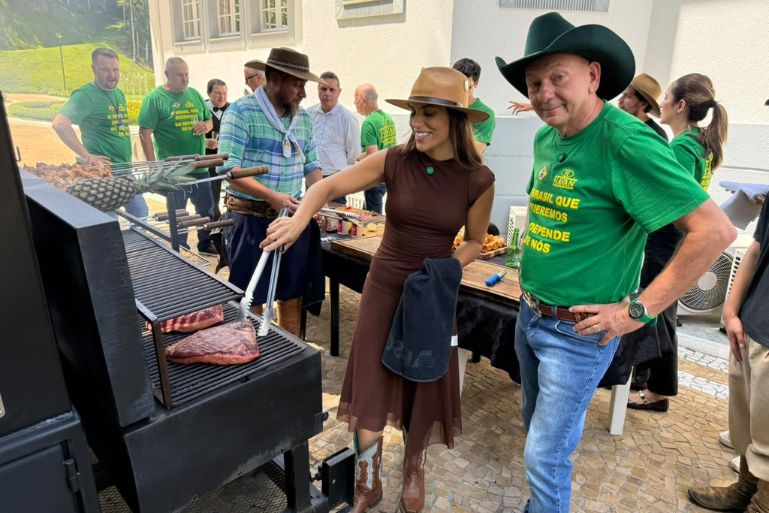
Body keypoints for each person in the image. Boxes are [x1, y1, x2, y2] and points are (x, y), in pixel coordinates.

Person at [495, 12, 736, 512]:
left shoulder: (625, 140)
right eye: (534, 83)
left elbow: (714, 231)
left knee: (546, 456)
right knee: (537, 432)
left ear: (592, 75)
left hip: (576, 334)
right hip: (530, 313)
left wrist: (635, 312)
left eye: (557, 77)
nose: (544, 93)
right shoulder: (546, 137)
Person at [262, 67, 495, 513]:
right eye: (414, 113)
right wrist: (299, 218)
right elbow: (329, 185)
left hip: (430, 293)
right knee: (369, 382)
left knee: (422, 383)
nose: (418, 122)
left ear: (457, 120)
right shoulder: (394, 160)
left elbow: (473, 240)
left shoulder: (477, 179)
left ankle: (413, 469)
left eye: (430, 114)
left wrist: (447, 269)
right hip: (385, 285)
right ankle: (368, 481)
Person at [628, 73, 729, 411]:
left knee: (656, 308)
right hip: (675, 239)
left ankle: (657, 389)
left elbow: (674, 201)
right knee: (658, 308)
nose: (663, 103)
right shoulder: (700, 143)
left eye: (668, 96)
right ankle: (645, 380)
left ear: (681, 105)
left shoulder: (684, 148)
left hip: (668, 238)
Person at [217, 47, 324, 337]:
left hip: (291, 221)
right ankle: (254, 359)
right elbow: (228, 168)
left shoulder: (302, 119)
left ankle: (289, 356)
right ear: (275, 78)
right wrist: (271, 196)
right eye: (297, 84)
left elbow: (312, 165)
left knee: (292, 295)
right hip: (250, 220)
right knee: (251, 298)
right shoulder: (241, 112)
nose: (303, 93)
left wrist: (320, 200)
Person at [688, 185, 769, 513]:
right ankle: (745, 489)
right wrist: (731, 310)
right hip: (752, 324)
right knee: (748, 424)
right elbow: (757, 248)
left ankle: (761, 504)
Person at [52, 47, 147, 217]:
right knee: (109, 220)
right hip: (102, 174)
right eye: (105, 70)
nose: (112, 75)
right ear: (93, 69)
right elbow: (60, 124)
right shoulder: (85, 95)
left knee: (141, 214)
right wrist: (88, 156)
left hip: (125, 169)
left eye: (115, 69)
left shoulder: (118, 93)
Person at [138, 57, 214, 253]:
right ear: (167, 75)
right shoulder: (155, 98)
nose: (185, 79)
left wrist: (205, 126)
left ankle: (206, 243)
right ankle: (181, 248)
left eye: (187, 74)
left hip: (200, 166)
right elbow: (144, 133)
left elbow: (209, 121)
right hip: (173, 170)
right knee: (179, 212)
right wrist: (153, 165)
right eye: (180, 75)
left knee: (207, 209)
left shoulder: (194, 94)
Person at [307, 71, 361, 204]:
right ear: (318, 90)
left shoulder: (347, 118)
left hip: (335, 179)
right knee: (311, 218)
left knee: (335, 221)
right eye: (323, 89)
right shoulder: (308, 114)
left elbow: (354, 153)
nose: (327, 93)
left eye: (332, 89)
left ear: (339, 92)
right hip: (311, 176)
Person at [354, 83, 396, 213]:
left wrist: (356, 159)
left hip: (374, 178)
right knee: (367, 211)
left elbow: (372, 155)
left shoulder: (369, 123)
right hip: (388, 174)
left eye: (356, 99)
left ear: (363, 100)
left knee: (373, 216)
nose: (355, 103)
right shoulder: (388, 119)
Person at [204, 78, 230, 261]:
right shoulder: (201, 109)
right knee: (210, 202)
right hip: (207, 162)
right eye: (217, 93)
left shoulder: (232, 109)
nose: (221, 97)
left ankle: (224, 237)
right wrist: (205, 142)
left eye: (224, 93)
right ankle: (210, 240)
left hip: (228, 162)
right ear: (208, 94)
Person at [452, 58, 496, 151]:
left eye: (467, 87)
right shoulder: (445, 106)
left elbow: (475, 153)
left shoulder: (485, 114)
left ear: (476, 84)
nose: (461, 90)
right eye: (457, 84)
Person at [617, 73, 668, 141]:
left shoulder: (657, 135)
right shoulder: (615, 123)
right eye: (623, 94)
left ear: (644, 104)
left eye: (628, 97)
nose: (620, 100)